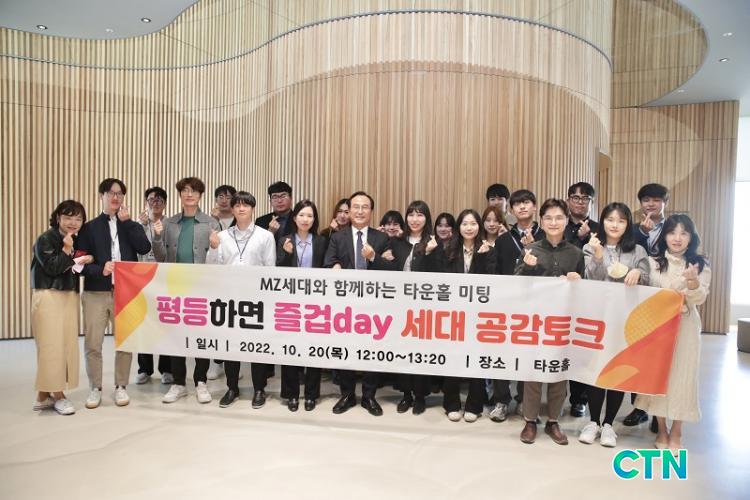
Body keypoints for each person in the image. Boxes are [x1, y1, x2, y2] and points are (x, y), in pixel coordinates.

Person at [635, 214, 710, 452]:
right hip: (658, 327)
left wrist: (692, 282)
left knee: (683, 377)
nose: (677, 238)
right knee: (659, 376)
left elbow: (699, 298)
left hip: (686, 327)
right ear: (664, 236)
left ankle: (677, 430)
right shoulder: (652, 262)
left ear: (691, 237)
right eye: (672, 232)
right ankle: (662, 429)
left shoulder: (699, 264)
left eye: (683, 233)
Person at [578, 202, 649, 447]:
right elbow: (590, 279)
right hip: (598, 318)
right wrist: (598, 256)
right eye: (610, 219)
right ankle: (593, 422)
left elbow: (647, 280)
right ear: (603, 221)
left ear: (627, 224)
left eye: (621, 220)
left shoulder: (637, 250)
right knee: (597, 370)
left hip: (626, 320)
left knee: (618, 370)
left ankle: (609, 424)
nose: (615, 225)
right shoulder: (590, 246)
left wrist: (639, 273)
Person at [515, 198, 585, 445]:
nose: (554, 222)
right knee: (532, 371)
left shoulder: (576, 253)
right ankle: (530, 420)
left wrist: (577, 281)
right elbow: (516, 286)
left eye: (559, 218)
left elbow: (585, 290)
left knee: (559, 371)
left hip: (563, 322)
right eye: (548, 218)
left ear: (566, 221)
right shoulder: (530, 250)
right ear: (541, 222)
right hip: (535, 321)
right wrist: (527, 268)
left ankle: (553, 421)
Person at [77, 178, 151, 409]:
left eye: (119, 194)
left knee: (125, 342)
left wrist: (128, 224)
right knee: (93, 343)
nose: (115, 197)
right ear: (102, 196)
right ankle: (95, 388)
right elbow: (79, 264)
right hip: (96, 293)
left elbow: (144, 248)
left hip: (125, 293)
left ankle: (121, 386)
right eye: (111, 193)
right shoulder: (89, 227)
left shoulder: (130, 225)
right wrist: (100, 269)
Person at [324, 191, 394, 416]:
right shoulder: (338, 237)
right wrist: (334, 266)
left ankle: (369, 396)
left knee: (372, 350)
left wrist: (373, 257)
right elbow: (328, 263)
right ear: (350, 210)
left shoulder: (381, 238)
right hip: (345, 306)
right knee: (345, 348)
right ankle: (347, 394)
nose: (360, 211)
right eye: (356, 207)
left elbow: (392, 271)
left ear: (371, 211)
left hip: (373, 306)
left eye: (365, 207)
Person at [152, 177, 222, 404]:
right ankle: (179, 383)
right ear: (180, 195)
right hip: (175, 287)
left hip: (202, 288)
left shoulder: (211, 223)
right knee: (175, 336)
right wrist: (157, 237)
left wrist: (215, 247)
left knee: (202, 335)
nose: (189, 194)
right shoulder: (170, 223)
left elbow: (219, 260)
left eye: (194, 191)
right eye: (185, 191)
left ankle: (201, 381)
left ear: (200, 195)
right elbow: (161, 257)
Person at [206, 192, 276, 409]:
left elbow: (270, 269)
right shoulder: (222, 236)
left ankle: (259, 389)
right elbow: (211, 268)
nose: (241, 208)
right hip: (229, 300)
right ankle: (232, 388)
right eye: (237, 205)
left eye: (246, 205)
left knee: (257, 346)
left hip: (256, 300)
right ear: (233, 209)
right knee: (231, 346)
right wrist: (213, 247)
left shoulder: (265, 236)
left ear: (253, 208)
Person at [431, 209, 495, 422]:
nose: (469, 227)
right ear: (459, 227)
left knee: (476, 358)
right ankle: (451, 403)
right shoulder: (447, 249)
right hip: (453, 313)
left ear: (479, 227)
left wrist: (483, 258)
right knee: (453, 358)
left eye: (473, 223)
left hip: (478, 315)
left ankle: (474, 405)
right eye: (465, 223)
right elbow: (440, 280)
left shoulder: (487, 250)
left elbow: (492, 283)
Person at [30, 200, 92, 415]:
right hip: (49, 295)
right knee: (51, 345)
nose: (73, 222)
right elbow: (52, 267)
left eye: (78, 219)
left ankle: (43, 395)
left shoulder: (74, 240)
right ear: (58, 218)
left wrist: (85, 259)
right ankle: (58, 395)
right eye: (68, 217)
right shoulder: (46, 239)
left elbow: (73, 269)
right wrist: (66, 250)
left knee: (65, 344)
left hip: (68, 296)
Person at [384, 201, 438, 415]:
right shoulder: (397, 242)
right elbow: (390, 271)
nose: (415, 219)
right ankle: (406, 394)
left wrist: (429, 253)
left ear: (427, 218)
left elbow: (436, 275)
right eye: (411, 215)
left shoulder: (433, 242)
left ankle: (420, 396)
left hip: (424, 307)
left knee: (420, 352)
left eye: (420, 215)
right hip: (400, 306)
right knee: (403, 351)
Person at [493, 189, 545, 416]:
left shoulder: (546, 237)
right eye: (517, 204)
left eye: (526, 202)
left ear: (534, 206)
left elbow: (549, 270)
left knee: (528, 355)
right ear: (511, 210)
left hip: (535, 305)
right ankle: (501, 400)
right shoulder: (503, 239)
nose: (522, 207)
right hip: (506, 305)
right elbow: (496, 273)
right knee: (502, 354)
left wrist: (534, 247)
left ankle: (525, 400)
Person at [624, 183, 669, 429]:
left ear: (665, 203)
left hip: (665, 296)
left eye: (656, 200)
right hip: (639, 296)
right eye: (646, 200)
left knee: (661, 356)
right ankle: (639, 408)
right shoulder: (632, 229)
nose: (651, 204)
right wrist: (642, 232)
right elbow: (630, 253)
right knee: (638, 353)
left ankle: (658, 413)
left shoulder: (674, 227)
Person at [276, 200, 328, 412]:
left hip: (315, 303)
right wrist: (287, 254)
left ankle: (311, 394)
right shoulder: (284, 240)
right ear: (295, 217)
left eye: (310, 216)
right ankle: (291, 393)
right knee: (290, 348)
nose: (306, 219)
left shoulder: (321, 241)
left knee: (314, 349)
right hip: (290, 303)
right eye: (302, 215)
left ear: (314, 219)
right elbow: (277, 270)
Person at [563, 182, 600, 417]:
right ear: (568, 200)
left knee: (582, 349)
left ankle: (579, 399)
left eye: (585, 198)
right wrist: (577, 238)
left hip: (589, 298)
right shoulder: (559, 224)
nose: (579, 202)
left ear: (591, 202)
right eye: (575, 197)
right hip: (561, 296)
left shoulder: (598, 228)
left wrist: (586, 238)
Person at [134, 186, 174, 386]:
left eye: (159, 200)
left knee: (166, 324)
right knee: (144, 324)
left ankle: (166, 369)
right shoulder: (137, 225)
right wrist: (141, 227)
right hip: (141, 279)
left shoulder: (171, 224)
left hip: (164, 279)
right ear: (146, 202)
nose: (155, 203)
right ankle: (144, 369)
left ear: (165, 204)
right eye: (151, 199)